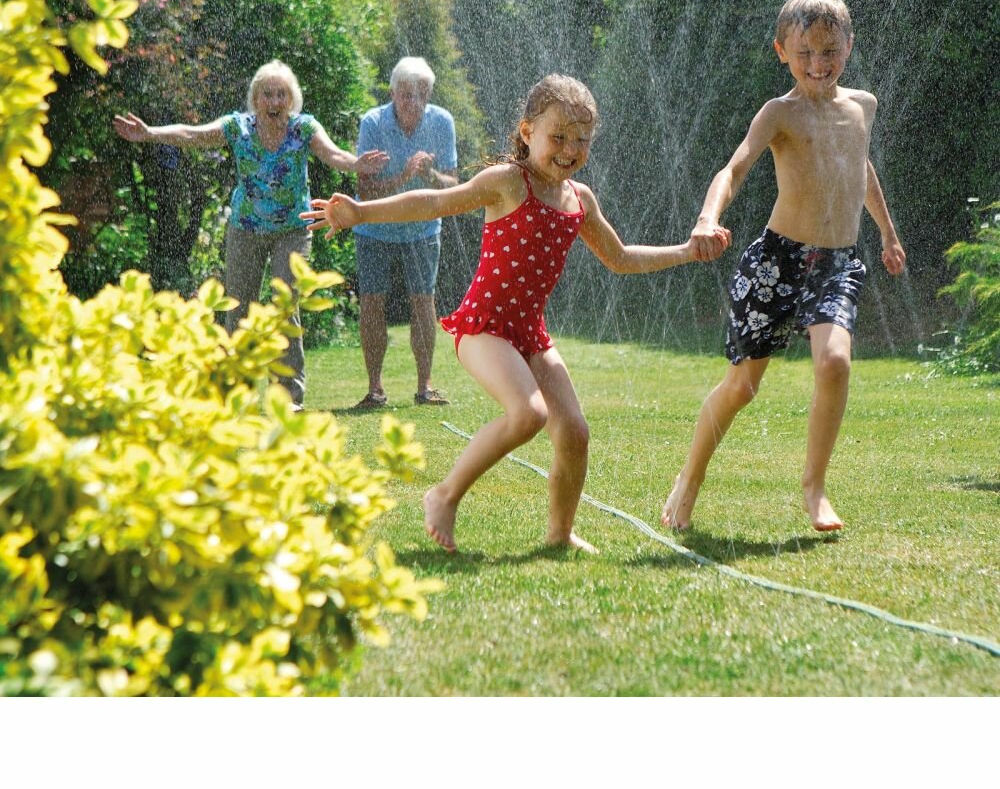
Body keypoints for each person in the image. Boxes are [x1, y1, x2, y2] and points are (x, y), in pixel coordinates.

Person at [302, 74, 731, 554]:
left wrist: (687, 251)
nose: (569, 150)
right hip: (484, 327)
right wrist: (362, 212)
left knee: (575, 432)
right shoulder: (509, 181)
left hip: (530, 334)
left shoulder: (579, 200)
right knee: (529, 414)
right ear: (528, 132)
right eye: (558, 137)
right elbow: (434, 202)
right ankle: (444, 495)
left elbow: (622, 258)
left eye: (582, 140)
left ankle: (560, 534)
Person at [660, 0, 907, 534]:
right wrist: (706, 218)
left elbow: (860, 168)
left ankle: (814, 488)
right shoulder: (780, 113)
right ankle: (689, 478)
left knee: (835, 362)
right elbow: (734, 168)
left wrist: (887, 233)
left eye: (830, 51)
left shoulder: (862, 106)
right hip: (778, 261)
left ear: (849, 45)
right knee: (741, 388)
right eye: (804, 53)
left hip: (836, 263)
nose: (818, 64)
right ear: (781, 52)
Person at [113, 59, 387, 408]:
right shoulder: (237, 127)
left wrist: (356, 163)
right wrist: (150, 133)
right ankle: (234, 392)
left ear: (292, 100)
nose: (274, 102)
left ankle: (288, 398)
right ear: (256, 99)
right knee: (238, 309)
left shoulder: (303, 128)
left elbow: (332, 154)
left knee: (284, 307)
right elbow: (193, 134)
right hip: (246, 228)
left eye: (281, 95)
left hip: (293, 229)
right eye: (267, 94)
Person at [351, 57, 459, 410]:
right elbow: (364, 191)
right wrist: (404, 176)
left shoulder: (442, 122)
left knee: (423, 301)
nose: (414, 101)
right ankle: (374, 389)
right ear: (393, 93)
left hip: (422, 227)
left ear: (429, 94)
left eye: (421, 94)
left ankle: (425, 386)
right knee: (372, 302)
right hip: (374, 227)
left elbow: (453, 185)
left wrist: (429, 174)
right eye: (406, 94)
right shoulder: (373, 123)